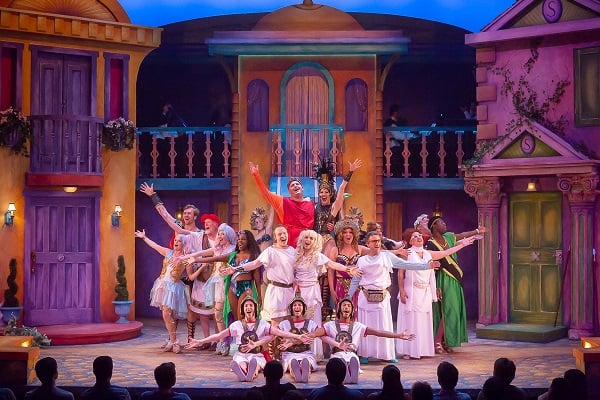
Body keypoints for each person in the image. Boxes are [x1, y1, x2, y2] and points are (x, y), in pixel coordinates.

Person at [139, 183, 215, 347]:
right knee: (169, 306)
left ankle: (191, 339)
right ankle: (172, 339)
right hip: (176, 270)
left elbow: (207, 249)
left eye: (189, 213)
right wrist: (154, 196)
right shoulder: (179, 227)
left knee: (192, 308)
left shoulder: (198, 234)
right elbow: (165, 215)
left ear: (195, 217)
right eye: (185, 213)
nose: (186, 215)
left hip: (193, 271)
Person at [348, 231, 438, 364]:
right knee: (366, 325)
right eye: (374, 241)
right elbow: (356, 280)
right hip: (366, 296)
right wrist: (348, 297)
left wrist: (425, 266)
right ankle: (365, 354)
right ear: (367, 244)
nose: (377, 243)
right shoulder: (361, 260)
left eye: (378, 241)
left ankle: (387, 354)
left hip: (382, 296)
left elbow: (406, 265)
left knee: (384, 325)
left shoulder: (387, 256)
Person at [184, 294, 309, 382]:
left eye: (250, 305)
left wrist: (297, 336)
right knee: (242, 363)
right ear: (243, 310)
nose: (248, 308)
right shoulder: (237, 325)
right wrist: (200, 341)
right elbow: (219, 335)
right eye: (246, 306)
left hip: (257, 354)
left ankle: (250, 374)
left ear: (255, 308)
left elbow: (280, 333)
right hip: (241, 354)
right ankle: (243, 372)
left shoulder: (263, 324)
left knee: (256, 364)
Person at [397, 229, 475, 359]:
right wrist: (401, 290)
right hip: (412, 291)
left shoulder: (428, 254)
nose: (419, 238)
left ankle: (422, 350)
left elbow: (445, 253)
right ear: (410, 241)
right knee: (411, 321)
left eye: (420, 235)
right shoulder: (407, 253)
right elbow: (401, 273)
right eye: (415, 236)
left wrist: (463, 244)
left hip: (425, 291)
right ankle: (409, 350)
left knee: (423, 322)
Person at [310, 298, 415, 384]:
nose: (346, 307)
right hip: (337, 356)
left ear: (352, 311)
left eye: (349, 306)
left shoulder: (358, 326)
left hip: (351, 355)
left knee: (352, 359)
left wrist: (398, 335)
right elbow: (317, 333)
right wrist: (308, 335)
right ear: (339, 310)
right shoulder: (330, 325)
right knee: (338, 363)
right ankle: (346, 372)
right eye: (344, 305)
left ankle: (351, 372)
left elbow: (378, 332)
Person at [293, 229, 361, 359]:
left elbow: (332, 264)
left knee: (313, 322)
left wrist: (348, 269)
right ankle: (299, 350)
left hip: (312, 291)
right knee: (299, 322)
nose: (308, 240)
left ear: (314, 242)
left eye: (311, 239)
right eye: (306, 237)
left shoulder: (317, 256)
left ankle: (314, 353)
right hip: (298, 292)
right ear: (302, 239)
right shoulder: (296, 255)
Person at [425, 216, 486, 352]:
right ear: (434, 226)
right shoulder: (430, 244)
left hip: (454, 279)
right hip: (442, 279)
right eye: (441, 222)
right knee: (445, 310)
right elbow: (431, 266)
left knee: (453, 309)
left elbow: (462, 235)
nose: (445, 224)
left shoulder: (449, 237)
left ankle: (447, 341)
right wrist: (435, 287)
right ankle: (436, 341)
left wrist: (477, 230)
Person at [185, 222, 237, 356]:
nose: (219, 236)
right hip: (216, 283)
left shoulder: (232, 249)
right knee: (218, 314)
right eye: (218, 233)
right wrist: (187, 257)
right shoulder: (217, 248)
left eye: (222, 233)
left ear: (229, 235)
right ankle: (222, 341)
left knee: (225, 314)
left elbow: (213, 258)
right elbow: (203, 253)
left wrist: (197, 260)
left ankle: (229, 342)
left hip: (227, 284)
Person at [134, 230, 190, 353]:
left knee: (171, 315)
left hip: (175, 287)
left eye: (179, 241)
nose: (176, 242)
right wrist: (144, 237)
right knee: (166, 314)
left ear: (183, 244)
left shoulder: (186, 258)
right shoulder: (168, 253)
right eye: (175, 240)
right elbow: (155, 246)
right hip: (163, 285)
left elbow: (195, 264)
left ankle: (173, 340)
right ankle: (173, 340)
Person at [231, 225, 296, 326]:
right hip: (276, 291)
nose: (283, 235)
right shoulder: (270, 251)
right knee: (275, 324)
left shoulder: (292, 250)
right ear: (275, 237)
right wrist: (235, 269)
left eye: (284, 233)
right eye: (279, 234)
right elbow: (254, 264)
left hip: (290, 291)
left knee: (291, 323)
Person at [249, 161, 314, 247]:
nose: (295, 186)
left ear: (302, 188)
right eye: (292, 185)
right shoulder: (283, 202)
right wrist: (256, 176)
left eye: (297, 184)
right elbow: (266, 194)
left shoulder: (311, 204)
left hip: (308, 243)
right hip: (289, 244)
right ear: (289, 191)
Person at [313, 158, 362, 256]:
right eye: (321, 192)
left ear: (330, 194)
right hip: (314, 239)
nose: (324, 194)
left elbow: (341, 188)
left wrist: (350, 171)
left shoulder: (334, 207)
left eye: (326, 192)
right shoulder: (314, 207)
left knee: (328, 263)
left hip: (327, 239)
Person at [327, 218, 367, 313]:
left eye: (350, 232)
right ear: (341, 235)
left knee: (357, 314)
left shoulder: (360, 249)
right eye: (345, 232)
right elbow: (330, 271)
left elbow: (376, 252)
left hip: (357, 287)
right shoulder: (335, 250)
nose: (348, 234)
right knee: (342, 314)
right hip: (340, 286)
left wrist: (395, 251)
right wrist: (332, 291)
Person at [277, 296, 320, 383]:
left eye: (299, 305)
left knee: (306, 363)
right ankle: (297, 376)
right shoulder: (284, 324)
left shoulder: (311, 324)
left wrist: (291, 342)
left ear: (304, 308)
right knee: (291, 363)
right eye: (295, 305)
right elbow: (277, 334)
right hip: (290, 353)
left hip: (306, 353)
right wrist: (283, 342)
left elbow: (315, 334)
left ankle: (304, 376)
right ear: (291, 309)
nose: (297, 307)